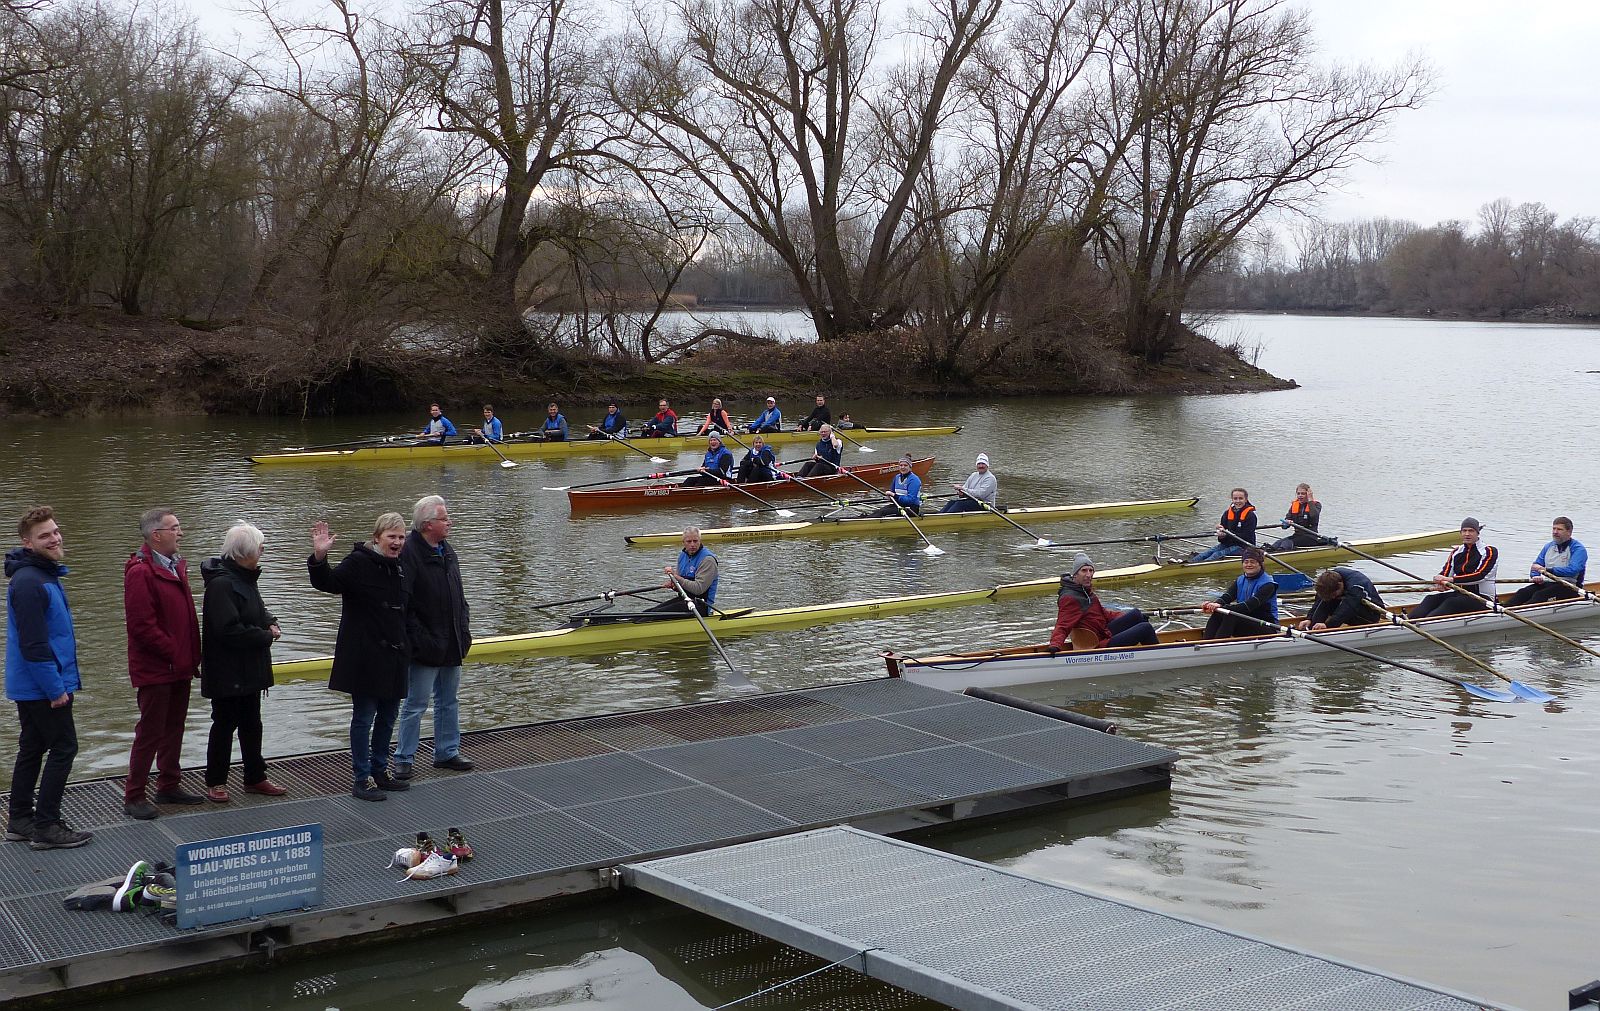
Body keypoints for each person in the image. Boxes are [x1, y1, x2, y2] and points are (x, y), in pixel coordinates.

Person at [307, 514, 412, 802]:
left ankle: (381, 771)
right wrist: (319, 555)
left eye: (401, 537)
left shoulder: (401, 566)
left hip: (395, 655)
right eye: (392, 537)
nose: (398, 542)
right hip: (365, 656)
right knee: (364, 718)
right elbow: (327, 582)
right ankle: (361, 778)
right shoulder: (358, 562)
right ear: (377, 537)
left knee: (388, 717)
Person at [5, 506, 92, 850]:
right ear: (28, 543)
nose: (55, 538)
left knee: (33, 745)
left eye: (55, 531)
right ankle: (46, 825)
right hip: (42, 685)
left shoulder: (42, 575)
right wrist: (55, 689)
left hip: (35, 683)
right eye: (45, 535)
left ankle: (20, 820)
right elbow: (34, 644)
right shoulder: (30, 582)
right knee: (64, 746)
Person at [122, 508, 204, 820]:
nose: (180, 533)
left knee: (174, 727)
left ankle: (169, 784)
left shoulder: (173, 567)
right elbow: (142, 626)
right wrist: (174, 652)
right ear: (157, 535)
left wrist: (189, 655)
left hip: (178, 666)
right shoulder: (141, 572)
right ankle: (134, 795)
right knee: (150, 731)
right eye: (175, 527)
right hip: (157, 669)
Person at [199, 521, 286, 803]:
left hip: (250, 669)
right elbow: (228, 630)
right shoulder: (222, 584)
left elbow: (255, 609)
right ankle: (216, 780)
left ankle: (255, 776)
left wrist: (270, 621)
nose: (262, 551)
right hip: (228, 671)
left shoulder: (246, 578)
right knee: (224, 724)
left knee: (252, 722)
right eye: (260, 546)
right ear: (246, 551)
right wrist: (265, 636)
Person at [393, 496, 474, 779]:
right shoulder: (409, 553)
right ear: (428, 524)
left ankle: (447, 751)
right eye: (444, 519)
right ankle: (404, 757)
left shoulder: (446, 550)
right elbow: (406, 605)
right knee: (416, 703)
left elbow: (459, 595)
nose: (449, 523)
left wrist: (463, 629)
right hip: (425, 644)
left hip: (451, 638)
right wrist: (421, 640)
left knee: (449, 700)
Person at [1048, 553, 1158, 650]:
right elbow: (1062, 625)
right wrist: (1055, 645)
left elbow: (1104, 614)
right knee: (1145, 628)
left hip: (1102, 633)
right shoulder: (1070, 598)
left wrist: (1127, 616)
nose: (1088, 575)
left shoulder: (1086, 592)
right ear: (1075, 574)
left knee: (1137, 615)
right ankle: (1157, 656)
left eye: (1091, 570)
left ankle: (1146, 649)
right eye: (1084, 571)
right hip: (1097, 645)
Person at [1409, 518, 1499, 619]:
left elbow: (1480, 576)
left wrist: (1450, 580)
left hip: (1483, 599)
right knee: (1430, 599)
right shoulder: (1456, 552)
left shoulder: (1489, 551)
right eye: (1464, 531)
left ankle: (1425, 624)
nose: (1467, 534)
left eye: (1471, 531)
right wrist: (1439, 581)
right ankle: (1409, 620)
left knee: (1452, 603)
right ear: (1460, 533)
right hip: (1459, 595)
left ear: (1478, 533)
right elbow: (1446, 574)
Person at [1507, 517, 1587, 606]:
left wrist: (1547, 570)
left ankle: (1518, 613)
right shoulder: (1548, 546)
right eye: (1554, 528)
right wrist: (1535, 576)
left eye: (1559, 529)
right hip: (1549, 583)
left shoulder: (1578, 549)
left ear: (1569, 532)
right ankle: (1501, 611)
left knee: (1540, 595)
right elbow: (1536, 566)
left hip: (1570, 587)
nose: (1555, 532)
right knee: (1523, 592)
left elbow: (1573, 570)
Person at [1201, 548, 1279, 638]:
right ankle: (1206, 641)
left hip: (1266, 625)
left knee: (1230, 614)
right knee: (1219, 613)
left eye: (1252, 562)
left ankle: (1216, 645)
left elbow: (1249, 605)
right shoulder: (1240, 579)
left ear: (1260, 564)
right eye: (1246, 562)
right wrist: (1214, 604)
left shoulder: (1268, 584)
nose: (1249, 565)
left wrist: (1222, 607)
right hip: (1246, 621)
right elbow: (1228, 596)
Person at [647, 528, 718, 615]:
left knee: (656, 614)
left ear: (700, 541)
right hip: (685, 600)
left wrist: (676, 577)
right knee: (649, 612)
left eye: (695, 541)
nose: (692, 544)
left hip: (701, 605)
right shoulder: (682, 556)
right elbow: (681, 584)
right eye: (689, 541)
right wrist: (674, 585)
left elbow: (698, 589)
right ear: (683, 542)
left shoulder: (707, 560)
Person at [1297, 567, 1387, 630]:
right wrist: (1309, 619)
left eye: (1334, 594)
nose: (1333, 596)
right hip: (1348, 605)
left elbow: (1347, 609)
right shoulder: (1329, 579)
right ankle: (1312, 627)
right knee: (1327, 599)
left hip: (1370, 615)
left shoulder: (1357, 585)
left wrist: (1328, 625)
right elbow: (1320, 599)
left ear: (1340, 585)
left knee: (1337, 603)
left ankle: (1325, 629)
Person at [1188, 488, 1258, 562]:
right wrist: (1221, 535)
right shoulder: (1227, 513)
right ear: (1232, 499)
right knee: (1205, 554)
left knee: (1216, 555)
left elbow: (1246, 536)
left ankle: (1199, 567)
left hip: (1244, 547)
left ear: (1246, 499)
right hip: (1228, 544)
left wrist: (1226, 534)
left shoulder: (1250, 516)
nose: (1238, 501)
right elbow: (1222, 540)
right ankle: (1189, 564)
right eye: (1235, 498)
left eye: (1240, 498)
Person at [1266, 483, 1323, 551]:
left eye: (1303, 494)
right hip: (1297, 535)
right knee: (1278, 543)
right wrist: (1286, 523)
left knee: (1287, 543)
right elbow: (1285, 525)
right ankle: (1268, 552)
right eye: (1298, 493)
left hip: (1310, 537)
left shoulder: (1316, 505)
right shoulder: (1294, 505)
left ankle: (1281, 553)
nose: (1300, 496)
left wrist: (1310, 500)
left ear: (1308, 494)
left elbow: (1314, 516)